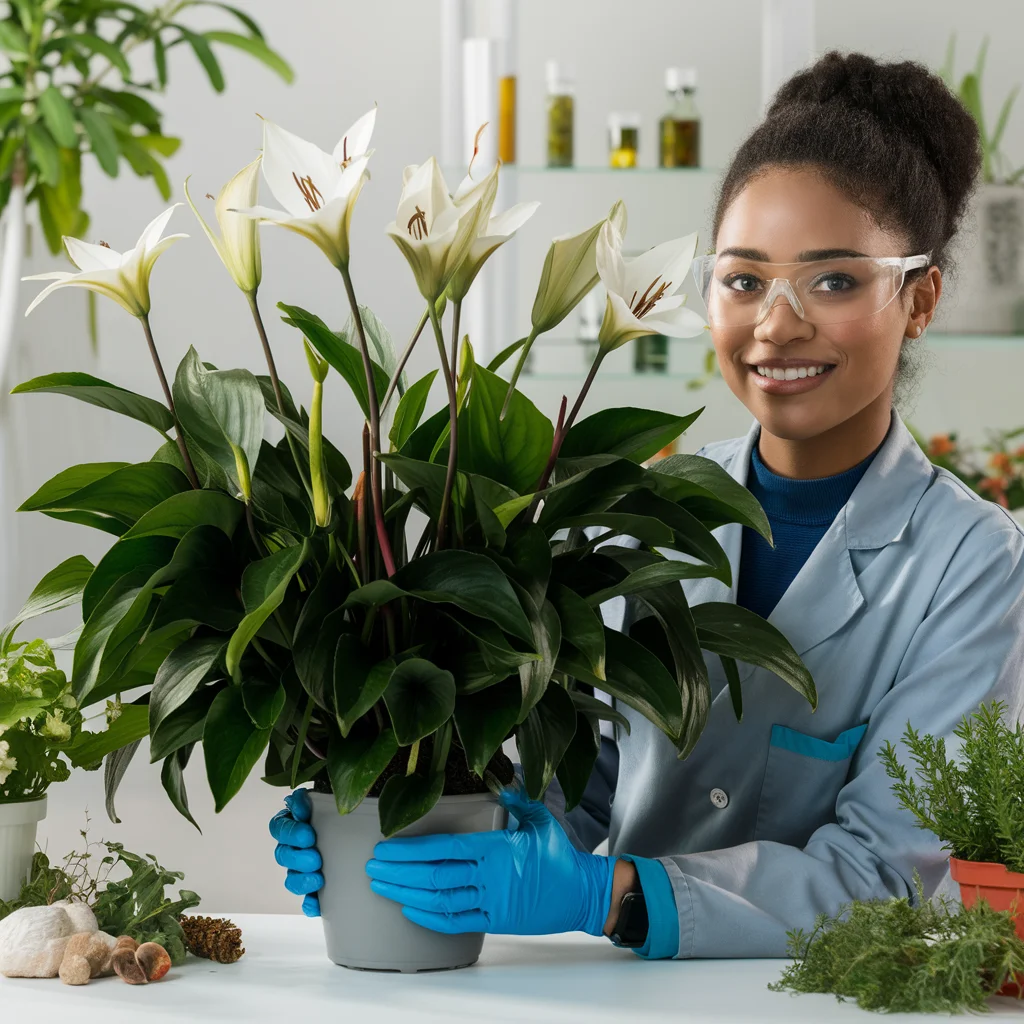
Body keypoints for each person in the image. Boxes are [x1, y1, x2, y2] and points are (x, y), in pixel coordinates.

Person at [270, 52, 1024, 959]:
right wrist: (421, 811)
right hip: (611, 1000)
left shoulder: (974, 565)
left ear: (921, 297)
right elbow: (576, 791)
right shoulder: (637, 512)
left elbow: (884, 875)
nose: (776, 325)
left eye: (832, 281)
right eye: (743, 279)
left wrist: (608, 896)